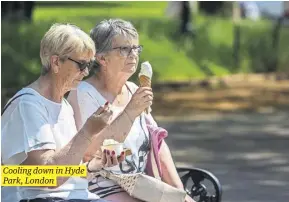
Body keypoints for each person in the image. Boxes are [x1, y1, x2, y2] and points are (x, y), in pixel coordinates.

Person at [67, 19, 195, 202]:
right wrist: (130, 112)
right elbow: (87, 152)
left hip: (143, 186)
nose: (133, 54)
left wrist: (179, 193)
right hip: (100, 187)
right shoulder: (82, 94)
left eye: (136, 48)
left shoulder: (134, 89)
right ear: (101, 58)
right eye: (124, 49)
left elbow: (157, 145)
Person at [1, 23, 123, 202]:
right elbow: (47, 177)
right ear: (56, 62)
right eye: (81, 64)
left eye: (89, 65)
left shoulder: (64, 106)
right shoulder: (28, 105)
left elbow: (67, 174)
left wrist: (97, 165)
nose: (86, 72)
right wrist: (87, 132)